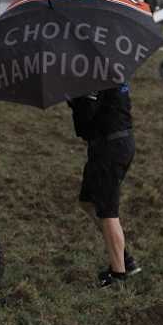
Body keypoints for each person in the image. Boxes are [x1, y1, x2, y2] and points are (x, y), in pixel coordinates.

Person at [68, 84, 141, 288]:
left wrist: (74, 100)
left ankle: (119, 274)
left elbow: (84, 125)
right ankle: (122, 256)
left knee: (107, 212)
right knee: (87, 202)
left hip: (109, 148)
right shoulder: (111, 69)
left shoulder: (92, 78)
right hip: (116, 143)